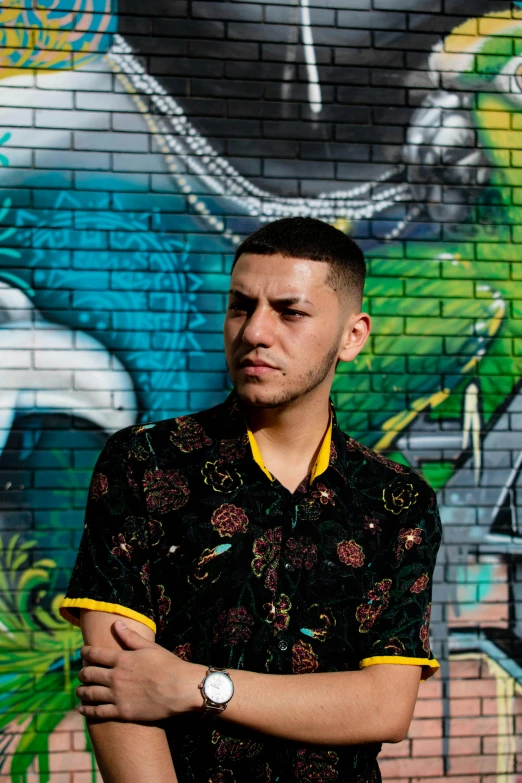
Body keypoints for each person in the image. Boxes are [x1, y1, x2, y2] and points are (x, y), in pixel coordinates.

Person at [59, 216, 442, 783]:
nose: (255, 332)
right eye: (241, 306)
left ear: (352, 336)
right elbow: (120, 689)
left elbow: (384, 706)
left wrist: (198, 686)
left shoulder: (396, 500)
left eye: (290, 311)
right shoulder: (145, 463)